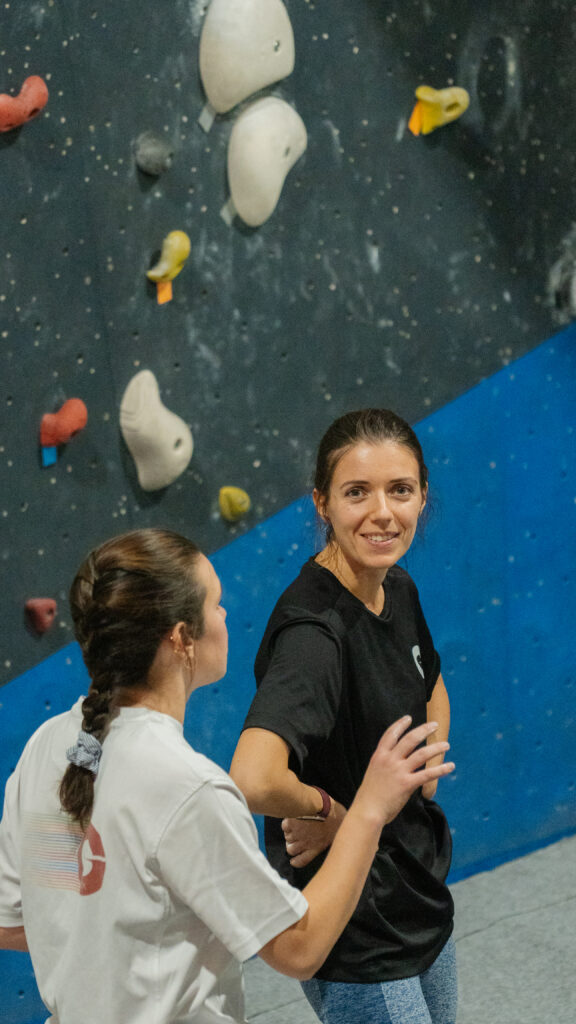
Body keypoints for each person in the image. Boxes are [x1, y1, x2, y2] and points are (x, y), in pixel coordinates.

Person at [0, 527, 454, 1024]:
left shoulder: (47, 743)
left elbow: (15, 921)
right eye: (215, 604)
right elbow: (299, 949)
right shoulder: (190, 788)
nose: (225, 616)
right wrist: (369, 807)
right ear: (181, 639)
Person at [230, 409, 457, 1024]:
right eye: (357, 492)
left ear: (422, 496)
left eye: (400, 490)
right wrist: (339, 814)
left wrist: (422, 770)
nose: (382, 512)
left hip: (416, 890)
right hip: (357, 927)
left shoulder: (397, 587)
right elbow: (254, 778)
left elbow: (429, 680)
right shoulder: (314, 634)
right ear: (322, 504)